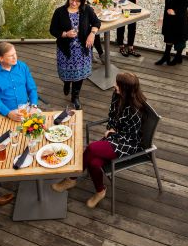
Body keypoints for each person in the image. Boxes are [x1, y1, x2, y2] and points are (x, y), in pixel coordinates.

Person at [51, 72, 145, 209]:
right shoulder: (117, 95)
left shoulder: (135, 111)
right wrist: (111, 128)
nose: (114, 85)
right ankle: (100, 191)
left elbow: (131, 136)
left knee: (91, 148)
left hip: (127, 143)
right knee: (94, 162)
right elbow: (112, 115)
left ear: (126, 89)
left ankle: (72, 178)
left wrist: (113, 133)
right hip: (114, 136)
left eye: (117, 84)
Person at [49, 0, 101, 110]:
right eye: (72, 0)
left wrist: (92, 34)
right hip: (65, 50)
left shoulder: (87, 10)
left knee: (80, 74)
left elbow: (97, 23)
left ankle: (75, 96)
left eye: (77, 1)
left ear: (82, 2)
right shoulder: (59, 12)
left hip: (82, 50)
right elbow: (52, 30)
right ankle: (67, 83)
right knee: (66, 73)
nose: (74, 3)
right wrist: (65, 34)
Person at [0, 42, 39, 121]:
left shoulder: (22, 66)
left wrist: (34, 106)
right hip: (3, 113)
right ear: (1, 58)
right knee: (14, 133)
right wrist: (9, 113)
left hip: (26, 108)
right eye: (10, 56)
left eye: (15, 54)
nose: (15, 57)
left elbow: (32, 89)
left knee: (43, 127)